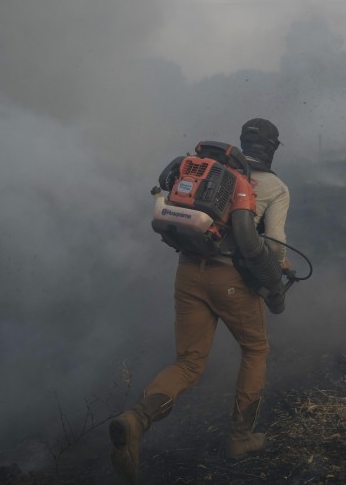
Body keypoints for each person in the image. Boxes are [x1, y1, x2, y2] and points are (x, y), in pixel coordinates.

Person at [109, 118, 291, 483]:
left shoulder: (207, 169)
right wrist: (279, 272)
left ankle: (136, 420)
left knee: (190, 362)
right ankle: (240, 439)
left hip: (189, 272)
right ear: (272, 149)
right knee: (255, 349)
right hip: (232, 280)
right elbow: (272, 244)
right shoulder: (275, 187)